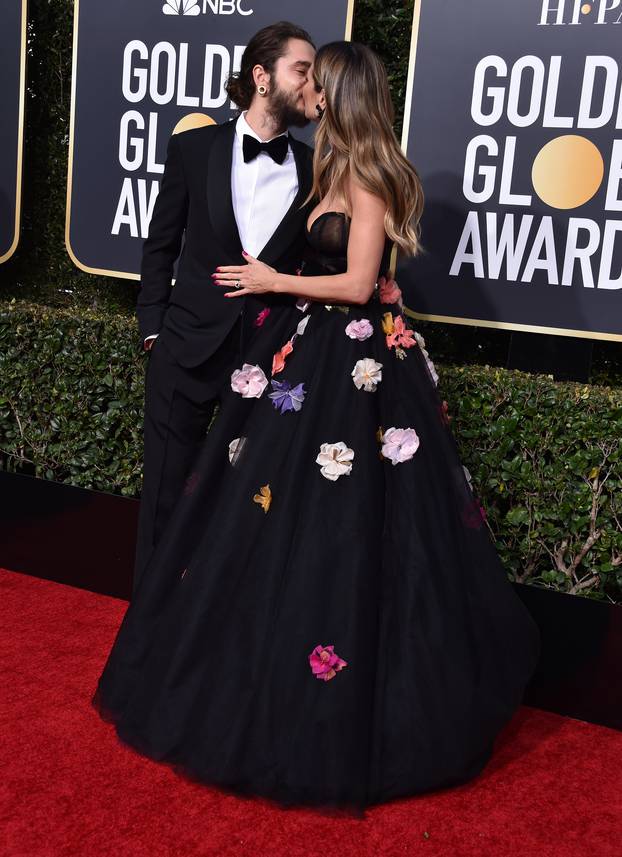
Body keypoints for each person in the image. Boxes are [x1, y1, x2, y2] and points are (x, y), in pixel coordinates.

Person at [94, 41, 540, 812]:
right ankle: (234, 656)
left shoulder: (365, 174)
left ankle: (348, 684)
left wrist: (275, 280)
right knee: (266, 516)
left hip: (360, 375)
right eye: (307, 80)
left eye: (322, 84)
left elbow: (363, 282)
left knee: (350, 526)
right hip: (306, 360)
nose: (314, 96)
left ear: (343, 94)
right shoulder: (322, 169)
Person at [132, 22, 316, 593]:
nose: (315, 84)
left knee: (248, 502)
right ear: (263, 78)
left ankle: (219, 629)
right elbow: (160, 244)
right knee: (164, 495)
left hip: (268, 360)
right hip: (184, 349)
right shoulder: (193, 148)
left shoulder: (316, 169)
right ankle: (151, 624)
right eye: (302, 70)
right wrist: (153, 330)